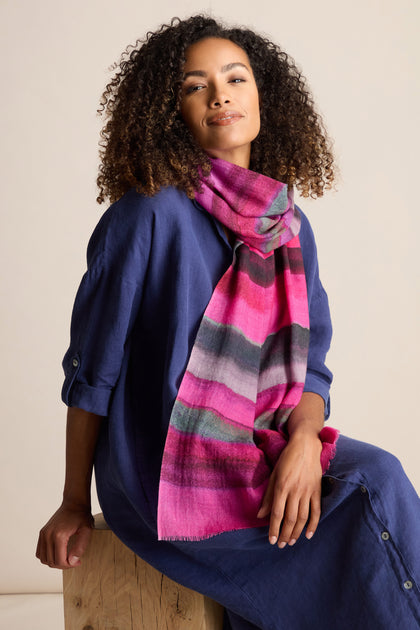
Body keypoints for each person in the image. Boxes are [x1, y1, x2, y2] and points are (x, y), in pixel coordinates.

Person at [36, 15, 420, 630]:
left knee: (378, 480)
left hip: (263, 441)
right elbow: (91, 372)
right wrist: (73, 501)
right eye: (195, 85)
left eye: (235, 78)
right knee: (368, 492)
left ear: (263, 96)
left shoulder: (289, 226)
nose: (219, 94)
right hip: (164, 472)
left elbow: (312, 367)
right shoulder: (148, 214)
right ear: (171, 112)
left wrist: (301, 442)